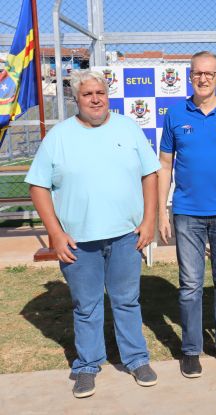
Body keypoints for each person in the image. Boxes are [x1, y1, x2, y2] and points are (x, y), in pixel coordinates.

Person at [26, 70, 160, 398]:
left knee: (127, 300)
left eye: (100, 92)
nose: (96, 99)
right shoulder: (59, 137)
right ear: (76, 99)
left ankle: (136, 359)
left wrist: (149, 221)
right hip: (77, 241)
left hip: (125, 235)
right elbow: (38, 186)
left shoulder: (128, 128)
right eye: (88, 94)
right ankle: (87, 364)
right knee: (86, 305)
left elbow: (150, 174)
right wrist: (55, 233)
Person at [158, 51, 216, 378]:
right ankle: (190, 349)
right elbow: (165, 165)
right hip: (187, 214)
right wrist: (161, 213)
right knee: (190, 285)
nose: (203, 79)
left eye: (209, 74)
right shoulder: (174, 114)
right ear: (190, 76)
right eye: (197, 73)